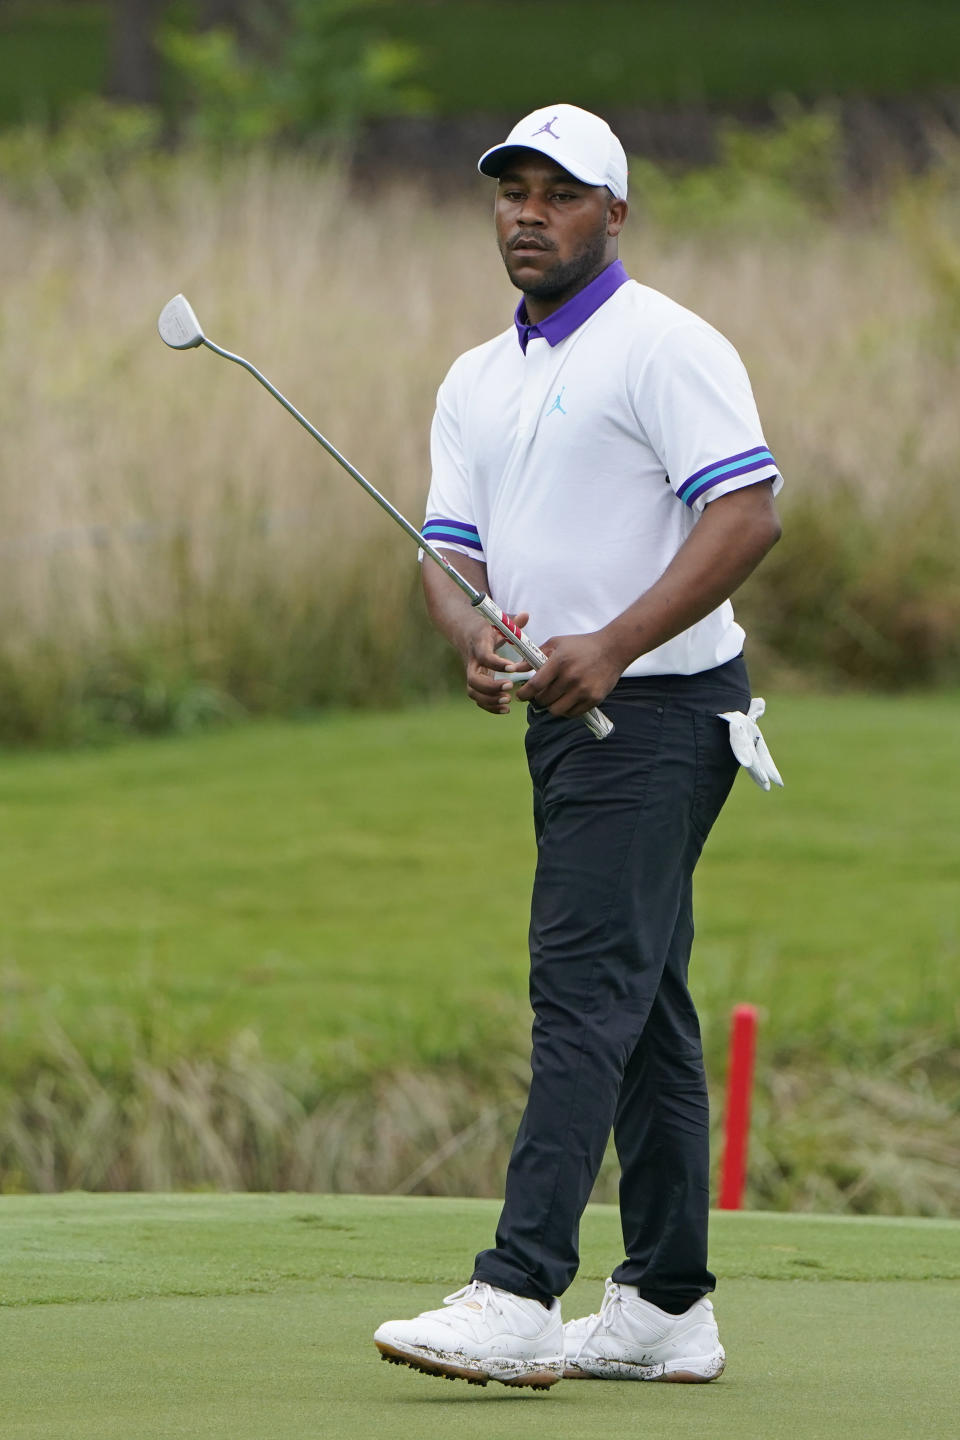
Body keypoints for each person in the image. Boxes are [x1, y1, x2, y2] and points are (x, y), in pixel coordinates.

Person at [374, 102, 783, 1392]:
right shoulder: (475, 376)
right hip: (567, 722)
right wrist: (469, 631)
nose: (528, 216)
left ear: (615, 211)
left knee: (584, 991)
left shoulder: (664, 346)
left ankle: (517, 1289)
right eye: (512, 194)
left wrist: (605, 642)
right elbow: (452, 545)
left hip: (660, 717)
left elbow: (747, 514)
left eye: (559, 195)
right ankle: (664, 1305)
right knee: (644, 1005)